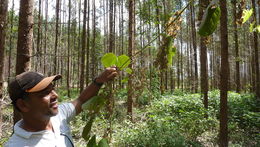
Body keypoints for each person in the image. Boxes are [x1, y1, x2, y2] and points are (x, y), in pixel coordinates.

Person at [4, 67, 118, 147]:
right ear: (23, 105)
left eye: (52, 89)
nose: (55, 95)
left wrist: (99, 81)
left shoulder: (59, 116)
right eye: (44, 93)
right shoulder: (17, 144)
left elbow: (81, 100)